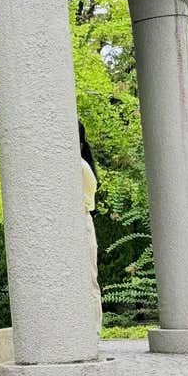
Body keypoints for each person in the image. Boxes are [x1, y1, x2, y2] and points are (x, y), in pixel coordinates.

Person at [79, 121, 102, 337]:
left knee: (88, 279)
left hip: (81, 221)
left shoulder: (80, 166)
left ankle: (92, 331)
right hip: (79, 223)